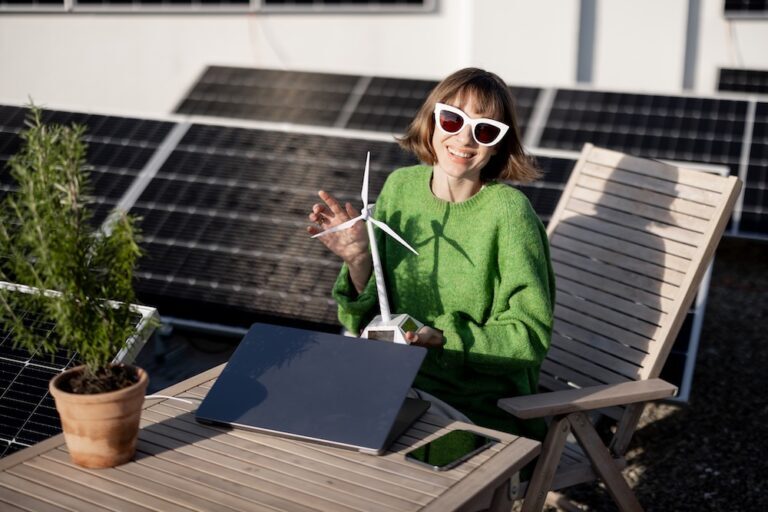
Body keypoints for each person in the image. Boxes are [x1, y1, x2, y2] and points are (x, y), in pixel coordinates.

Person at [307, 67, 555, 440]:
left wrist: (440, 337)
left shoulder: (510, 214)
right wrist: (359, 260)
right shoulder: (399, 187)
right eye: (452, 119)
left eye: (484, 130)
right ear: (432, 120)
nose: (464, 139)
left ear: (499, 144)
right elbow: (368, 320)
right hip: (390, 380)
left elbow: (528, 338)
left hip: (474, 405)